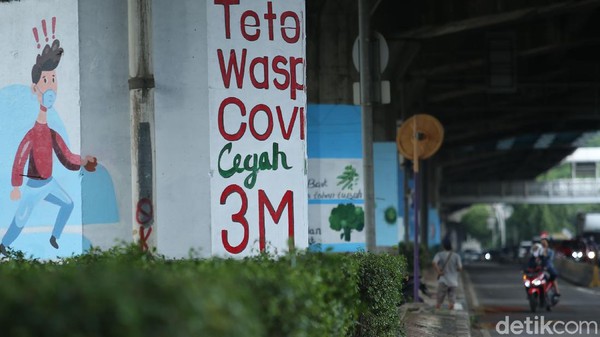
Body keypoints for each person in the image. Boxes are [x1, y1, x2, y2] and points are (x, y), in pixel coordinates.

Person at [0, 38, 96, 256]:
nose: (51, 85)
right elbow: (20, 157)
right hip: (33, 187)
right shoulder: (33, 134)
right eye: (46, 80)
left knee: (68, 204)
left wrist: (81, 161)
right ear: (36, 88)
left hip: (50, 183)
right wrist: (16, 186)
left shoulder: (52, 134)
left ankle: (55, 237)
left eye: (53, 79)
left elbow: (65, 155)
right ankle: (4, 244)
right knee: (20, 219)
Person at [432, 238, 463, 309]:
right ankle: (451, 313)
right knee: (452, 302)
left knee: (439, 302)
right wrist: (454, 269)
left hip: (443, 281)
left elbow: (434, 263)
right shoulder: (456, 256)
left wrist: (439, 271)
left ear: (443, 246)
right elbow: (460, 268)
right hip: (453, 282)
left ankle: (437, 312)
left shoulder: (439, 254)